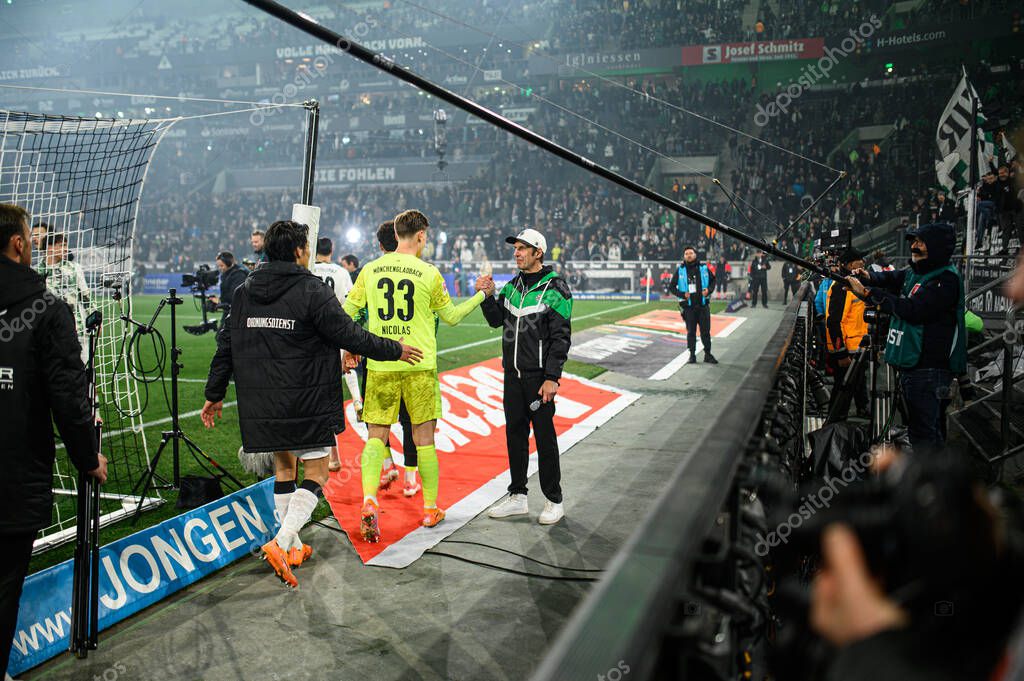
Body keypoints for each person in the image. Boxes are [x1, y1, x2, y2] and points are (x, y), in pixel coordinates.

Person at [201, 220, 421, 588]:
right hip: (304, 397)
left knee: (284, 471)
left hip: (260, 402)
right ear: (300, 251)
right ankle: (282, 542)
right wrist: (395, 349)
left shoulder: (243, 291)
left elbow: (226, 345)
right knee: (318, 472)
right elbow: (349, 334)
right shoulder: (310, 288)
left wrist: (214, 394)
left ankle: (293, 547)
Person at [0, 203, 107, 677]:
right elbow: (68, 397)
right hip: (13, 474)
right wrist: (87, 458)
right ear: (20, 243)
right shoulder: (44, 309)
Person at [343, 210, 485, 543]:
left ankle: (368, 499)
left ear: (395, 233)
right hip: (419, 367)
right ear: (420, 235)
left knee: (376, 436)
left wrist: (348, 347)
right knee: (424, 440)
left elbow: (347, 313)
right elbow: (450, 317)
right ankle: (431, 508)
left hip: (380, 364)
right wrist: (481, 295)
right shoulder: (428, 272)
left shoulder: (370, 269)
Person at [480, 228, 573, 525]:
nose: (517, 253)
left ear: (538, 253)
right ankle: (518, 496)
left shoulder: (555, 287)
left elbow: (561, 338)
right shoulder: (512, 286)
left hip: (539, 379)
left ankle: (553, 499)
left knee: (545, 439)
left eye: (523, 248)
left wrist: (552, 377)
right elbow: (496, 320)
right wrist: (487, 295)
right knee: (515, 436)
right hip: (512, 377)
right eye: (516, 248)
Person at [847, 223, 965, 451]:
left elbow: (913, 309)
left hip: (929, 369)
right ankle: (933, 478)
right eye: (913, 241)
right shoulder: (917, 272)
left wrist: (868, 293)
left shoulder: (945, 280)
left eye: (921, 242)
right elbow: (893, 277)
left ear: (937, 247)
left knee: (924, 434)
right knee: (926, 430)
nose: (914, 245)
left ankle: (927, 481)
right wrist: (868, 276)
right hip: (916, 367)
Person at [311, 236, 363, 472]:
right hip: (336, 328)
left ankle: (332, 456)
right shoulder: (341, 272)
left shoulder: (308, 269)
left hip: (312, 335)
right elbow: (350, 301)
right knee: (345, 368)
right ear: (331, 250)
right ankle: (357, 399)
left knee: (318, 395)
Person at [825, 248, 869, 418]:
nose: (863, 263)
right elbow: (834, 322)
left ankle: (859, 409)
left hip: (857, 346)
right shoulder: (842, 287)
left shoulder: (853, 284)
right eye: (860, 260)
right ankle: (833, 426)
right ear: (850, 265)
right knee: (842, 391)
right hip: (848, 350)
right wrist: (841, 352)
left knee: (856, 384)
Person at [38, 233, 93, 362]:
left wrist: (94, 317)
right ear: (50, 248)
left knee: (83, 373)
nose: (65, 249)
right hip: (50, 334)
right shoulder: (37, 272)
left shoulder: (74, 268)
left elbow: (86, 297)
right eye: (61, 245)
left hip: (77, 331)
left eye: (66, 245)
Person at [669, 246, 718, 364]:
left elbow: (713, 280)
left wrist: (709, 290)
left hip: (703, 306)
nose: (689, 255)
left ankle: (707, 354)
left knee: (705, 332)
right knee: (691, 332)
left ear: (695, 255)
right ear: (684, 256)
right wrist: (682, 294)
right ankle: (692, 355)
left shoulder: (704, 268)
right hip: (688, 308)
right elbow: (671, 287)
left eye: (691, 253)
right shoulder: (680, 270)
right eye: (686, 253)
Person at [209, 251, 247, 316]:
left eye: (222, 266)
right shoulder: (227, 274)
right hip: (230, 310)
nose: (220, 268)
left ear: (229, 263)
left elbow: (235, 296)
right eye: (218, 266)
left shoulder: (239, 274)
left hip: (238, 313)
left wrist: (220, 301)